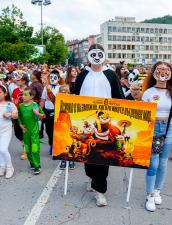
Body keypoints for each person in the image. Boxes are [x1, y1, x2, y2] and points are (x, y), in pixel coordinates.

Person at [72, 44, 124, 207]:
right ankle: (91, 178)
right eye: (92, 54)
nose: (95, 57)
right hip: (86, 122)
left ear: (103, 55)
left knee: (102, 156)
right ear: (89, 56)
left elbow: (119, 97)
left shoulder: (110, 75)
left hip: (105, 122)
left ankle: (100, 190)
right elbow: (74, 97)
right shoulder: (82, 75)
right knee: (88, 155)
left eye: (98, 53)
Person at [142, 62, 172, 211]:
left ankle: (157, 191)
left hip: (168, 128)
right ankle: (149, 194)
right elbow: (143, 115)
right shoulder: (147, 93)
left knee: (163, 163)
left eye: (166, 70)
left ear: (170, 74)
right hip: (152, 129)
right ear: (154, 72)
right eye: (160, 70)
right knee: (153, 163)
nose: (163, 73)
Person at [18, 87, 45, 175]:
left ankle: (37, 166)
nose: (23, 96)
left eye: (26, 95)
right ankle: (32, 163)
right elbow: (19, 117)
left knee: (34, 148)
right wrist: (20, 125)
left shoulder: (35, 105)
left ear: (31, 96)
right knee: (28, 148)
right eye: (22, 94)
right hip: (25, 131)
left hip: (34, 131)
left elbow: (43, 116)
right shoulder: (21, 106)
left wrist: (38, 114)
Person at [40, 70, 62, 155]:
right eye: (51, 77)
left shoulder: (61, 88)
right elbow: (42, 100)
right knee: (48, 130)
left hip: (56, 112)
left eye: (55, 77)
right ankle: (51, 144)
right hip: (47, 111)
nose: (52, 79)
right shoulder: (46, 88)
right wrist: (40, 111)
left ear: (59, 78)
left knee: (56, 130)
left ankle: (55, 146)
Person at [58, 84, 76, 170]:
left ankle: (71, 159)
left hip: (68, 125)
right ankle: (63, 160)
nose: (65, 93)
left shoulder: (71, 100)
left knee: (70, 142)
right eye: (63, 91)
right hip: (60, 126)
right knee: (62, 143)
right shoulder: (58, 100)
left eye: (67, 91)